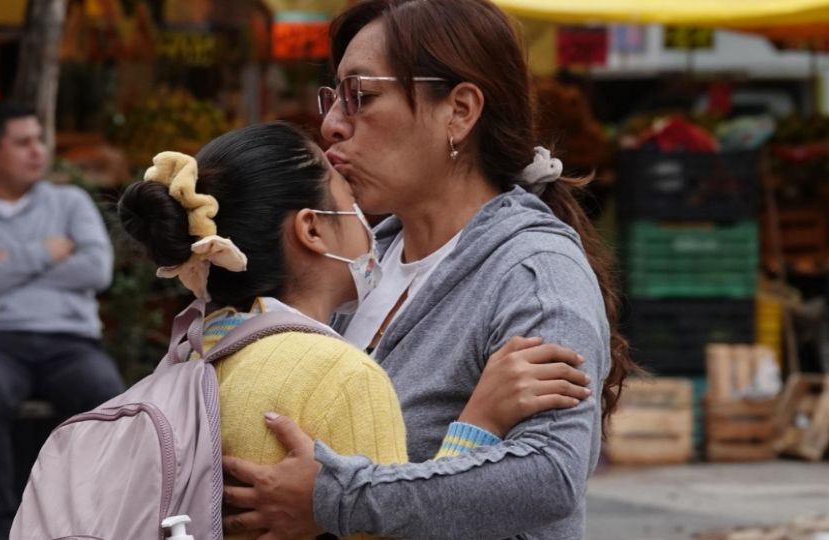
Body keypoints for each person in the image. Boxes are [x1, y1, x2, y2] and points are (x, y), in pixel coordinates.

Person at [220, 1, 639, 539]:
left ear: (459, 111)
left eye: (361, 97)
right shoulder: (362, 260)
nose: (331, 125)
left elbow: (550, 477)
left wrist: (336, 499)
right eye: (334, 97)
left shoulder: (534, 272)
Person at [118, 122, 592, 539]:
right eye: (348, 199)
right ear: (312, 230)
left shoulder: (194, 353)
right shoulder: (341, 375)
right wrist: (478, 426)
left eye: (361, 98)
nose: (334, 123)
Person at [0, 102, 125, 540]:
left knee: (106, 395)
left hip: (70, 344)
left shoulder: (70, 202)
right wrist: (43, 253)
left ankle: (89, 526)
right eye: (23, 142)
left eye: (40, 140)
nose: (38, 151)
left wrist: (2, 267)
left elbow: (95, 270)